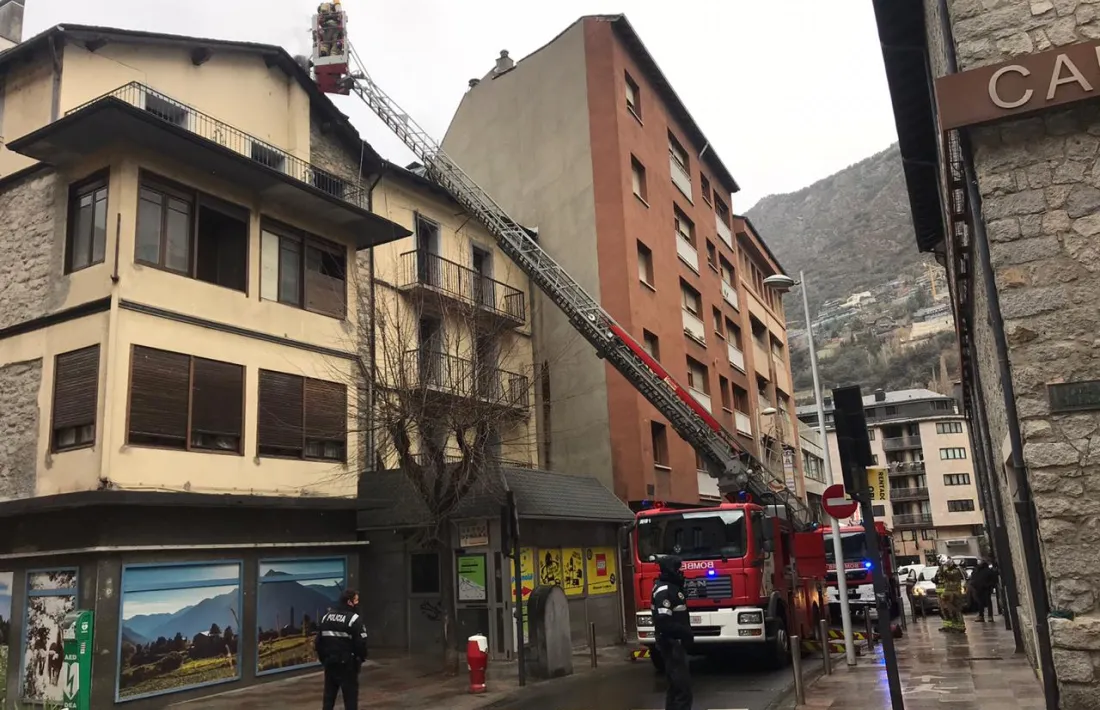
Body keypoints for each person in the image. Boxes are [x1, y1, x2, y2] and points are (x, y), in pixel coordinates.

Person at [652, 555, 694, 710]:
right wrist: (685, 633)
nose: (681, 572)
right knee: (682, 690)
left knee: (676, 688)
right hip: (671, 644)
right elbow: (663, 621)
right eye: (677, 569)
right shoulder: (665, 590)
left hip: (675, 644)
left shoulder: (672, 587)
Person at [316, 588, 368, 710]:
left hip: (330, 664)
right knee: (350, 701)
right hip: (348, 666)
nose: (357, 603)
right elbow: (361, 643)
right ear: (349, 602)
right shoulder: (353, 619)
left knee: (328, 699)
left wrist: (324, 659)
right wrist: (360, 659)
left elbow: (318, 643)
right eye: (356, 600)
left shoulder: (326, 617)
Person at [938, 557, 967, 634]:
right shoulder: (950, 571)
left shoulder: (955, 571)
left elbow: (949, 575)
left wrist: (943, 570)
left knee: (957, 611)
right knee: (951, 611)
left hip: (955, 594)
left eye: (947, 565)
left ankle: (961, 627)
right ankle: (955, 627)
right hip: (949, 593)